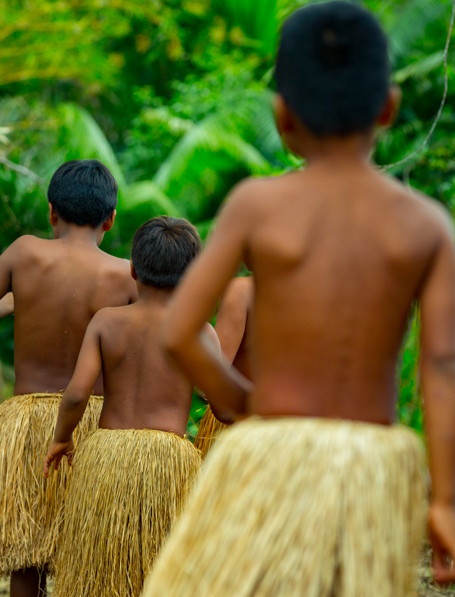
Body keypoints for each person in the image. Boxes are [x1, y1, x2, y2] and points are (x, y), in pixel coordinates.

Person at [143, 3, 455, 596]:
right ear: (388, 108)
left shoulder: (257, 206)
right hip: (371, 468)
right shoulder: (426, 225)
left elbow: (180, 329)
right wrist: (444, 500)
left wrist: (244, 403)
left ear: (283, 119)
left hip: (271, 450)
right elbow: (442, 367)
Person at [0, 160, 137, 597]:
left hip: (26, 425)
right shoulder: (125, 274)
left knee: (27, 555)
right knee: (90, 557)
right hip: (91, 429)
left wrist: (18, 301)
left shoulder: (24, 254)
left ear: (51, 211)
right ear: (110, 219)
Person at [42, 216, 215, 597]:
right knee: (161, 570)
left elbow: (75, 394)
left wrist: (61, 438)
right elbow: (221, 400)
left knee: (102, 572)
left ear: (133, 269)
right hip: (168, 463)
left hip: (107, 457)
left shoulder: (107, 322)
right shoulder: (199, 331)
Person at [193, 275, 253, 456]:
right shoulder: (321, 293)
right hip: (302, 435)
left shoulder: (243, 291)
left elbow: (213, 378)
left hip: (241, 433)